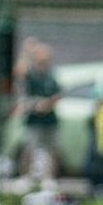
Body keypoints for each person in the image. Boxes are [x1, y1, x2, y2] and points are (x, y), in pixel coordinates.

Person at [17, 40, 63, 187]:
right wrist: (26, 51)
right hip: (34, 119)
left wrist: (48, 104)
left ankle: (49, 179)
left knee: (52, 149)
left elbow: (58, 94)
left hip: (50, 119)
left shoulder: (51, 74)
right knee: (30, 148)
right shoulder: (32, 73)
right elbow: (19, 71)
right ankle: (26, 177)